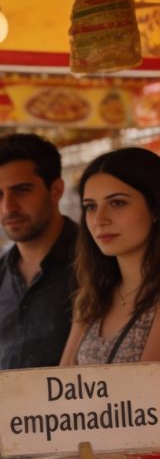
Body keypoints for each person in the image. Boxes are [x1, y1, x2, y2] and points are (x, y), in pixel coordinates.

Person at [0, 133, 78, 459]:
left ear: (56, 189)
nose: (8, 207)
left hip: (72, 454)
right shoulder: (0, 271)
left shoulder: (95, 264)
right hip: (3, 449)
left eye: (21, 190)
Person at [60, 147, 160, 365]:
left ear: (155, 209)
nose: (99, 220)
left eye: (117, 203)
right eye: (90, 207)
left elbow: (147, 389)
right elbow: (62, 384)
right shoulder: (91, 298)